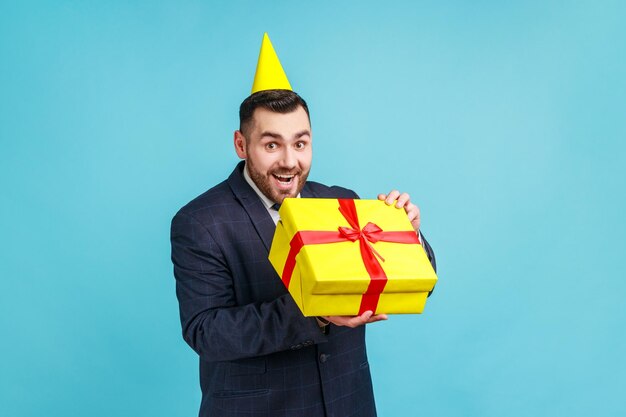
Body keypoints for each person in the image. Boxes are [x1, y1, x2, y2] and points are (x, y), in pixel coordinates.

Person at [170, 34, 436, 417]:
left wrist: (408, 238)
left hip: (349, 404)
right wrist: (316, 313)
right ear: (241, 145)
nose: (290, 162)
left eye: (300, 143)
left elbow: (414, 288)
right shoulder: (201, 222)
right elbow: (207, 332)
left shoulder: (341, 202)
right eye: (272, 144)